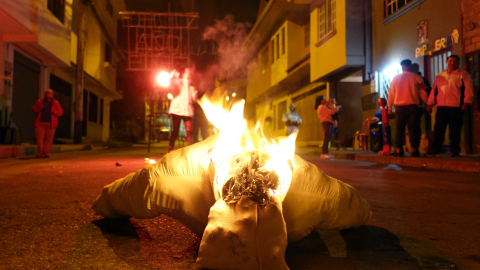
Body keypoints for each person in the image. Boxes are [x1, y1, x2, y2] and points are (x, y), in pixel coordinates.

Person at [426, 55, 474, 157]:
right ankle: (435, 150)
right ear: (446, 62)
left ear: (458, 63)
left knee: (455, 130)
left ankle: (454, 150)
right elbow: (434, 90)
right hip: (441, 107)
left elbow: (468, 89)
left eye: (455, 62)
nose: (452, 63)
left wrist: (467, 102)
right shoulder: (440, 75)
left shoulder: (463, 74)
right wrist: (430, 103)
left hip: (456, 107)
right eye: (450, 61)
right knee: (438, 129)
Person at [387, 59, 428, 157]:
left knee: (399, 129)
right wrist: (427, 103)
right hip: (413, 107)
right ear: (410, 66)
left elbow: (391, 93)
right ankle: (414, 150)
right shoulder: (417, 78)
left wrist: (389, 106)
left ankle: (398, 149)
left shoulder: (396, 78)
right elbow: (422, 93)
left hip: (399, 107)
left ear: (402, 67)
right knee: (414, 129)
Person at [168, 68, 197, 153]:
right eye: (186, 72)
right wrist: (174, 76)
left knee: (189, 131)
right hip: (177, 109)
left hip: (187, 110)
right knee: (175, 131)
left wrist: (193, 91)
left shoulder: (191, 86)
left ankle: (189, 150)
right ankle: (170, 149)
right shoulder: (178, 82)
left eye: (189, 72)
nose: (188, 74)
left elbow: (193, 99)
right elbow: (172, 87)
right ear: (183, 74)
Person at [32, 89, 63, 158]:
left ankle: (47, 152)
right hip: (40, 123)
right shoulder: (40, 101)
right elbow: (34, 109)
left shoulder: (56, 103)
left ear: (53, 95)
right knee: (40, 138)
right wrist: (40, 108)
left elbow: (60, 112)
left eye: (51, 94)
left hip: (51, 124)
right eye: (48, 93)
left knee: (49, 139)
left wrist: (56, 112)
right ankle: (40, 151)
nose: (49, 95)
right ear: (45, 94)